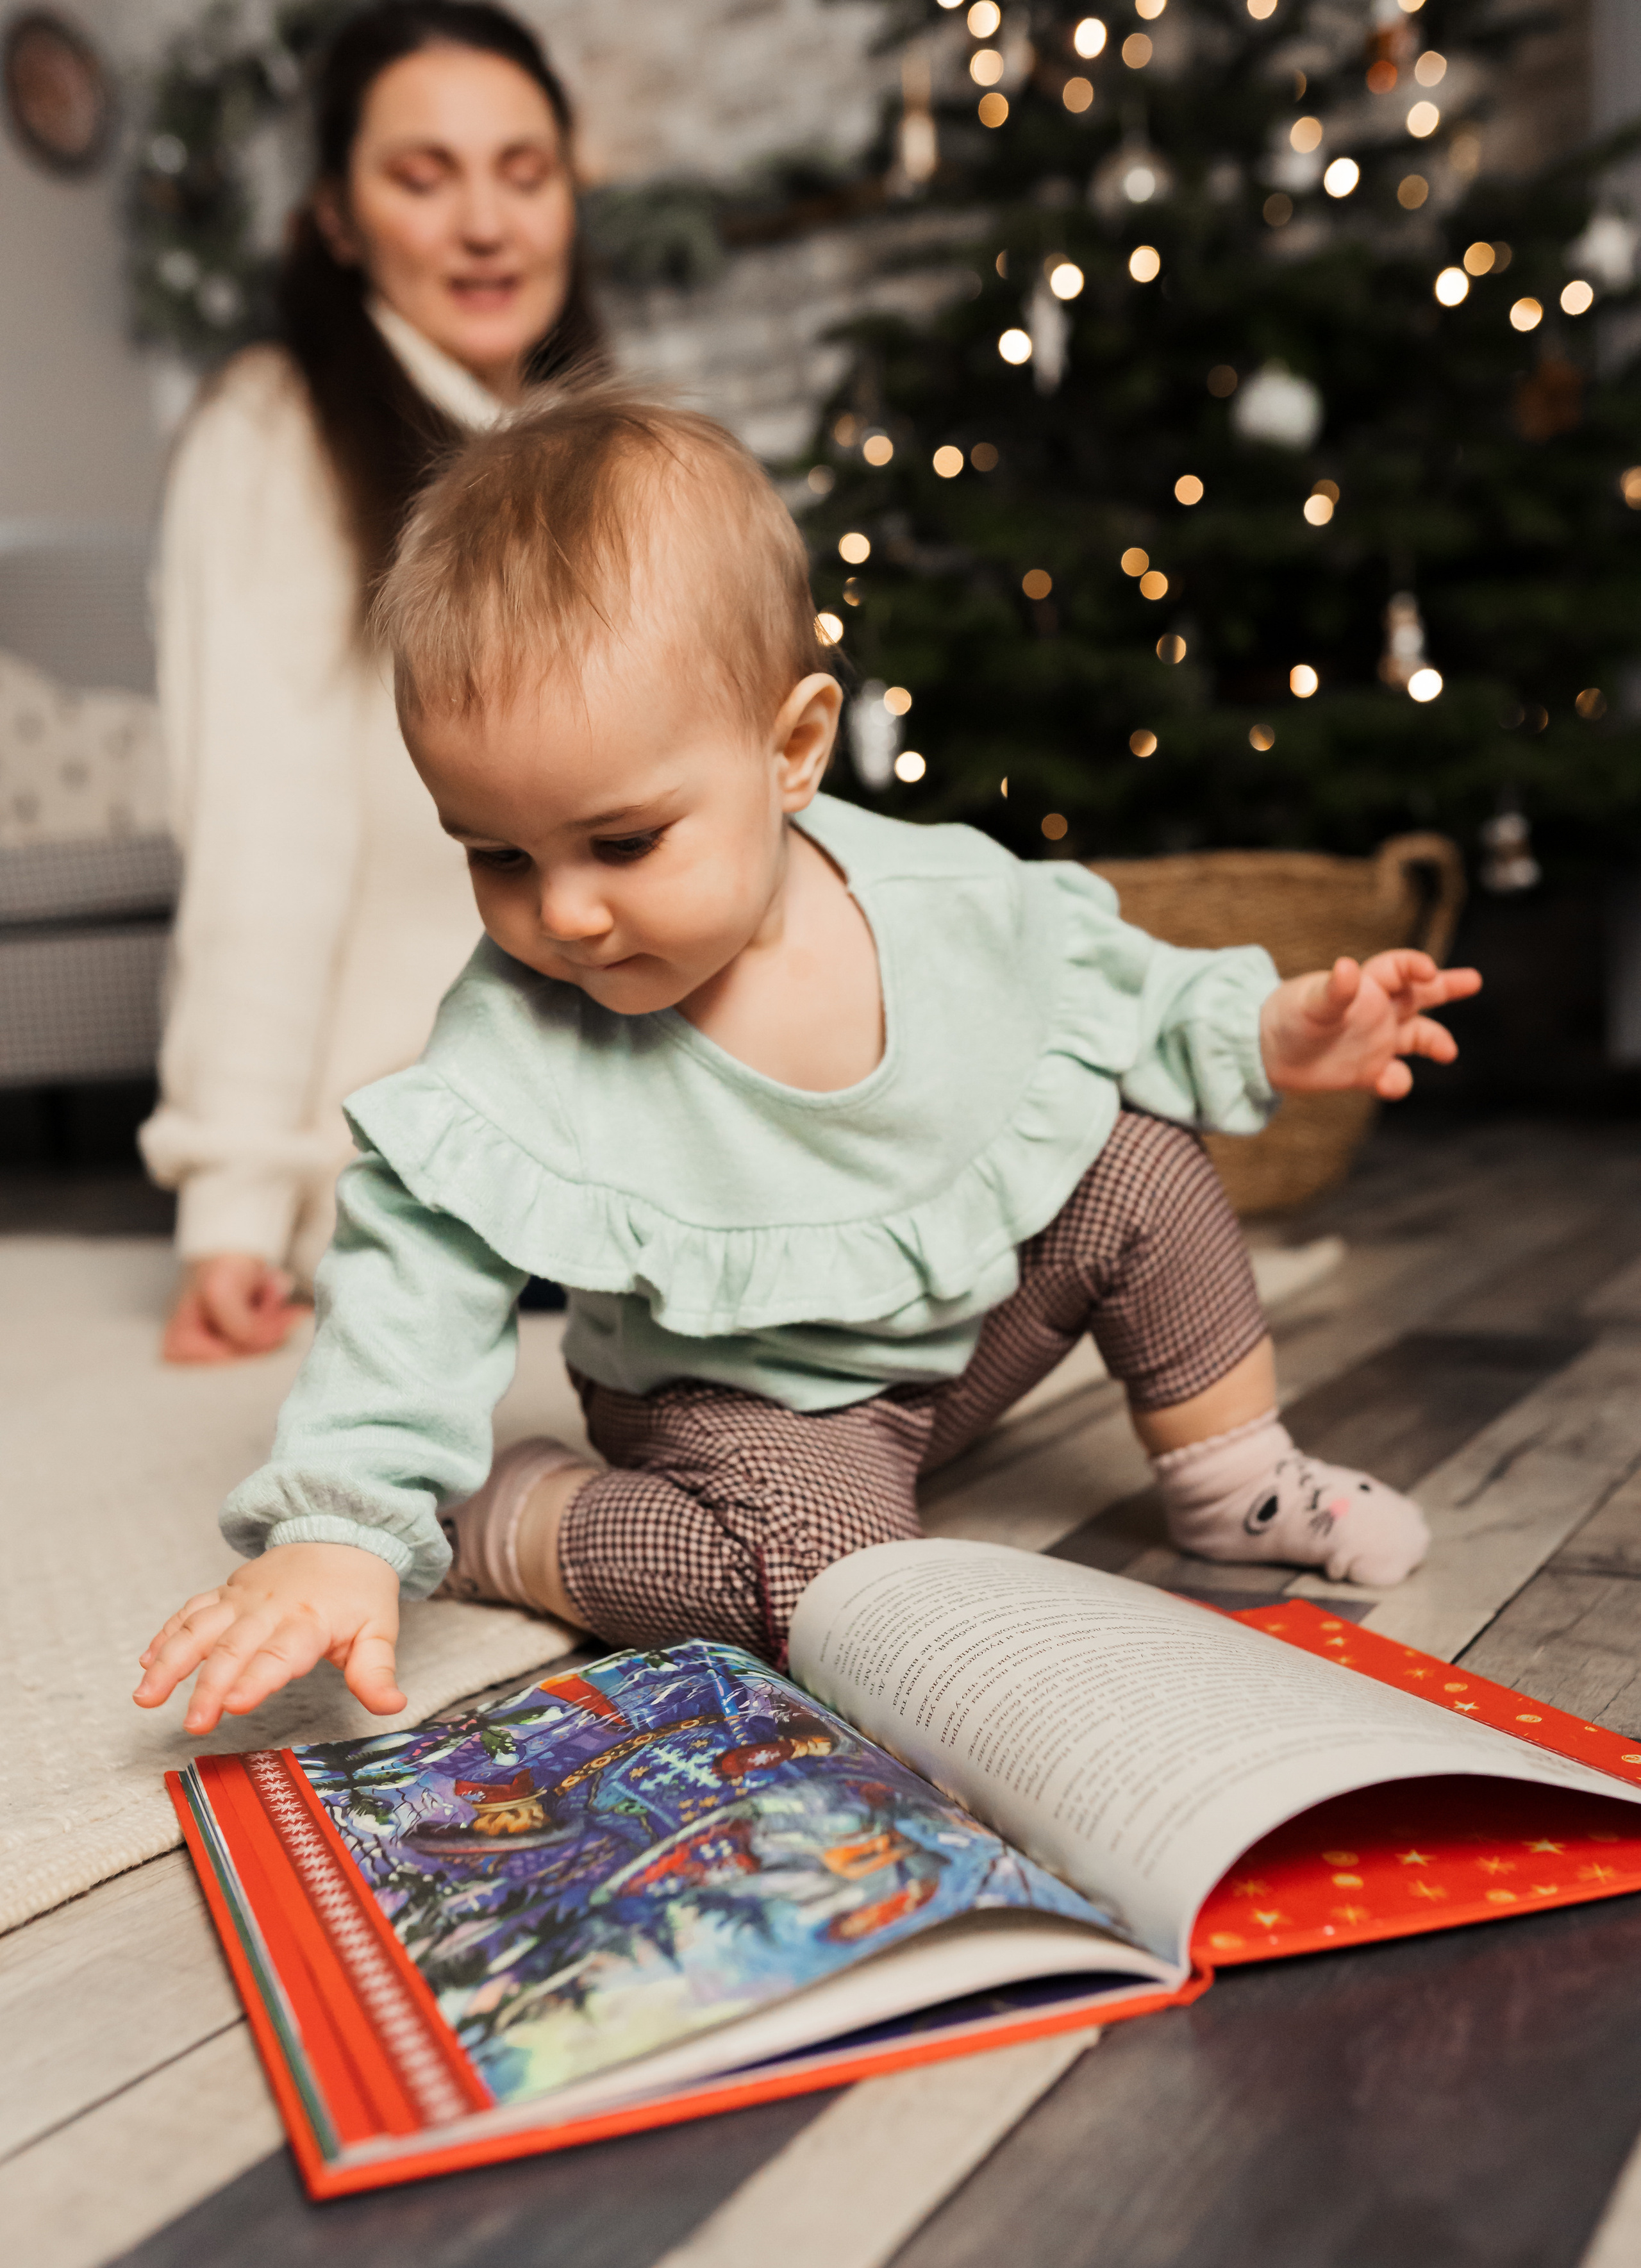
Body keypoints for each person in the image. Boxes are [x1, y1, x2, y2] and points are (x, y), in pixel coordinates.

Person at [134, 383, 1482, 1737]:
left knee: (1134, 1160)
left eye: (620, 843)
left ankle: (1233, 1477)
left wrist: (1263, 1026)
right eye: (497, 854)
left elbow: (1110, 982)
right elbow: (410, 1265)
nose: (563, 914)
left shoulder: (942, 897)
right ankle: (522, 1518)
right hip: (732, 1407)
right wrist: (342, 1523)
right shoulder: (529, 1022)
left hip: (954, 1339)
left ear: (790, 749)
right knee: (825, 1585)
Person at [139, 1, 600, 1363]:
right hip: (426, 1143)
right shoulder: (270, 435)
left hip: (617, 1090)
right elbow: (258, 837)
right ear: (336, 217)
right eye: (422, 175)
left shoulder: (583, 444)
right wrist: (230, 1208)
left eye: (524, 172)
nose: (485, 225)